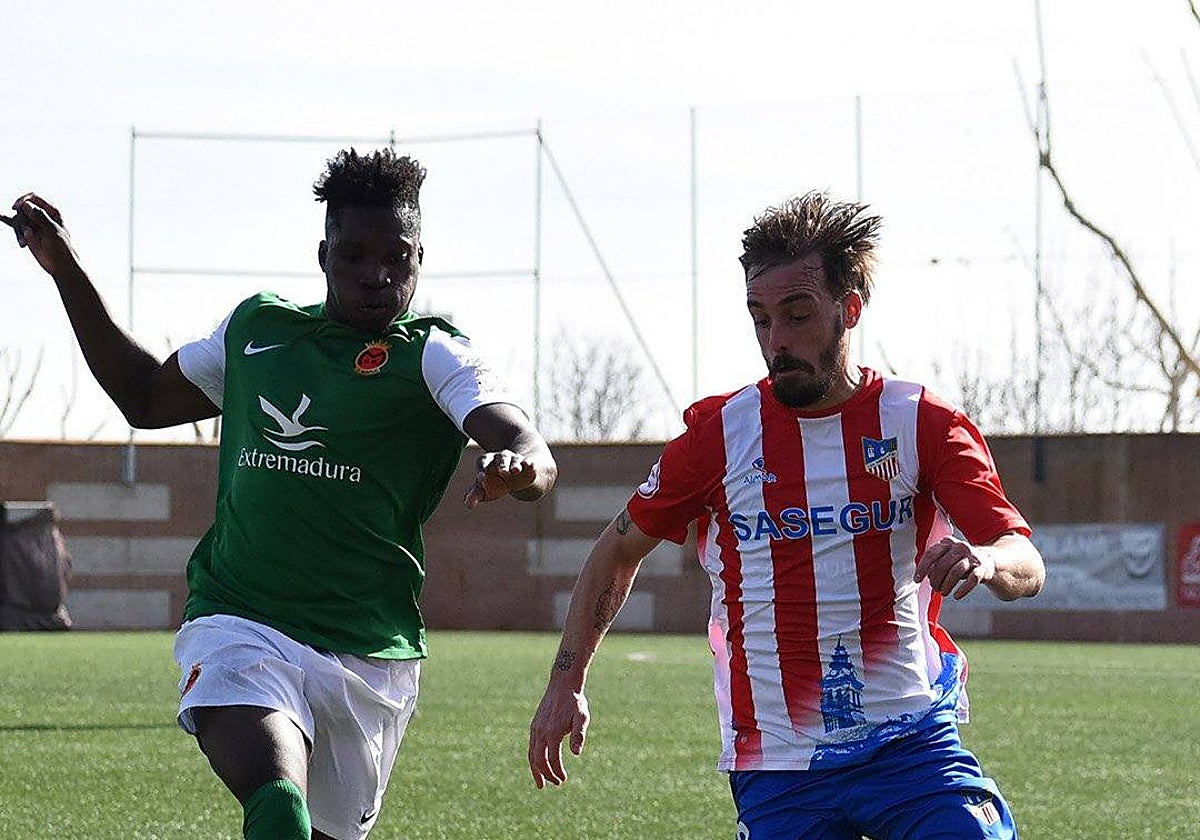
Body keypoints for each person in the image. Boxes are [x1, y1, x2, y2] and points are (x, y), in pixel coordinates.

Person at [10, 147, 557, 840]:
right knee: (275, 803)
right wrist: (65, 269)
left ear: (420, 258)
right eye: (354, 256)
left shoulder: (434, 354)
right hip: (241, 617)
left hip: (367, 650)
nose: (377, 275)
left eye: (397, 257)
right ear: (324, 257)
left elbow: (527, 443)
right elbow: (143, 396)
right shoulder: (259, 332)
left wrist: (520, 465)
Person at [528, 191, 1044, 839]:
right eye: (761, 319)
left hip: (910, 747)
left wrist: (989, 559)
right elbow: (616, 551)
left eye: (797, 315)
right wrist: (566, 681)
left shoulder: (921, 423)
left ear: (849, 309)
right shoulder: (720, 435)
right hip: (777, 764)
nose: (777, 341)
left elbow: (1025, 559)